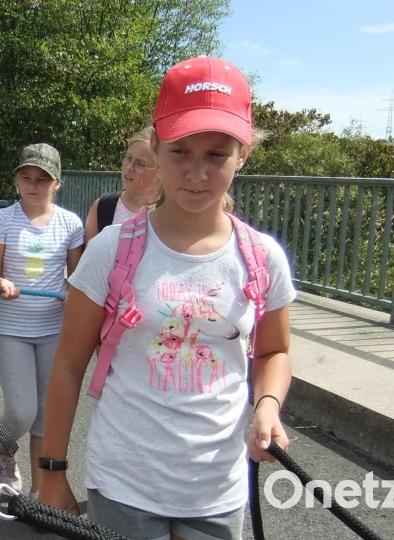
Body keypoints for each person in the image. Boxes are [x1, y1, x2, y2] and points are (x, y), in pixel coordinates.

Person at [38, 56, 297, 540]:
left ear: (243, 154)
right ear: (155, 148)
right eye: (180, 152)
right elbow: (69, 365)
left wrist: (267, 406)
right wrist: (51, 471)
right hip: (123, 486)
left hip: (217, 491)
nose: (197, 173)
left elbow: (273, 351)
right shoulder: (111, 250)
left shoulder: (263, 258)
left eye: (216, 154)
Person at [0, 143, 84, 498]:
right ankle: (4, 448)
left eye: (42, 179)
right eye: (26, 177)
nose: (33, 185)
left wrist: (71, 292)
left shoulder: (70, 224)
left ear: (57, 183)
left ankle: (39, 494)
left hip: (53, 330)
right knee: (21, 412)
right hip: (14, 330)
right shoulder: (2, 220)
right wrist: (1, 282)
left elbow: (76, 278)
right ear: (17, 180)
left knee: (45, 416)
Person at [83, 127, 163, 243]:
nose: (129, 167)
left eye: (140, 164)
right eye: (128, 158)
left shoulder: (170, 214)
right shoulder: (102, 207)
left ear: (160, 171)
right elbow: (90, 254)